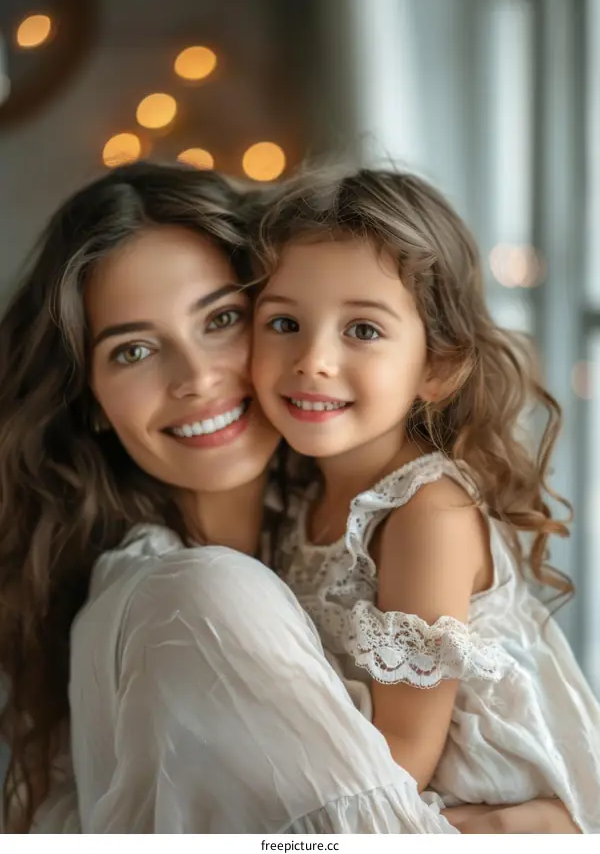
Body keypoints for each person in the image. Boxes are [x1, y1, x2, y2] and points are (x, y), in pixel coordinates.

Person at [0, 161, 578, 834]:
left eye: (220, 318)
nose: (197, 378)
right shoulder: (191, 596)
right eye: (132, 350)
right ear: (90, 400)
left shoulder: (361, 512)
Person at [251, 166, 600, 833]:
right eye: (285, 321)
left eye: (363, 330)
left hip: (466, 807)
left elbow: (405, 754)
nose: (313, 359)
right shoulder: (298, 492)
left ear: (437, 367)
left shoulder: (424, 512)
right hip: (370, 784)